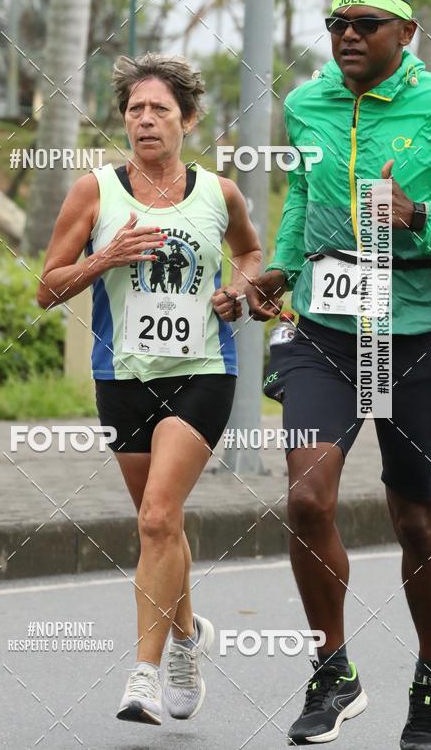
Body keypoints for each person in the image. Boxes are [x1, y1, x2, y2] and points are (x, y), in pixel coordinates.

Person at [247, 0, 431, 749]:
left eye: (366, 24)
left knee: (415, 517)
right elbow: (303, 200)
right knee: (307, 500)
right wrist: (280, 265)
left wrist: (421, 215)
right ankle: (334, 671)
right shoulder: (307, 104)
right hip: (328, 332)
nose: (346, 35)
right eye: (338, 21)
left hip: (412, 336)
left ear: (405, 36)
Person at [37, 53, 261, 727]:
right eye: (135, 109)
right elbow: (47, 288)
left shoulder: (217, 193)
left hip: (202, 373)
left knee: (159, 518)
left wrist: (240, 290)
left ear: (188, 118)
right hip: (123, 379)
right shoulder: (94, 192)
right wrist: (102, 259)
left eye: (159, 108)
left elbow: (252, 253)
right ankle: (190, 639)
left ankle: (145, 675)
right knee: (158, 527)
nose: (145, 120)